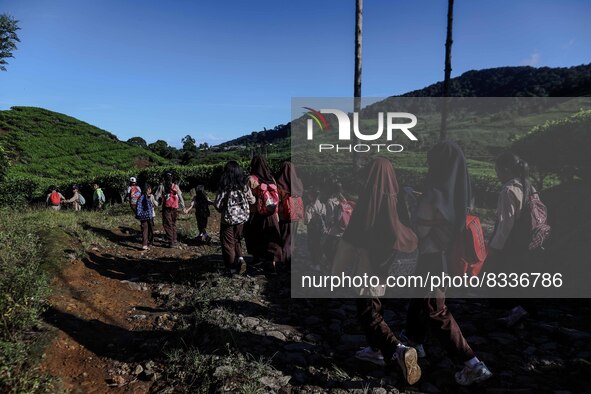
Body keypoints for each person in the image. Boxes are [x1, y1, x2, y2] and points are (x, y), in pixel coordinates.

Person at [402, 140, 492, 386]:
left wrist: (412, 202)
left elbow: (419, 229)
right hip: (448, 258)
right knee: (420, 298)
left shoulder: (434, 192)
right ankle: (413, 341)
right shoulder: (461, 192)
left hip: (432, 258)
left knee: (436, 310)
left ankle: (471, 363)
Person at [343, 158, 421, 386]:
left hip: (369, 265)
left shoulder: (370, 200)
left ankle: (397, 349)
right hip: (389, 264)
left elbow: (354, 236)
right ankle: (375, 348)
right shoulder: (398, 198)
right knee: (374, 305)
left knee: (368, 311)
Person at [487, 152, 540, 326]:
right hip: (525, 241)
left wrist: (494, 247)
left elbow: (505, 224)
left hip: (510, 243)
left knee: (503, 279)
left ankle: (512, 313)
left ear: (506, 170)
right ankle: (521, 311)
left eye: (497, 171)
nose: (497, 175)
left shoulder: (508, 190)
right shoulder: (528, 186)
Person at [214, 161, 255, 275]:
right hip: (242, 219)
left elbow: (217, 204)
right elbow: (252, 200)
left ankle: (232, 268)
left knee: (228, 244)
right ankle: (241, 259)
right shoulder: (243, 185)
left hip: (228, 220)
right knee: (237, 240)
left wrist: (222, 209)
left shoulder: (224, 186)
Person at [245, 155, 283, 272]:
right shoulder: (271, 178)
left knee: (254, 237)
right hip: (270, 214)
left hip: (255, 213)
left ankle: (257, 259)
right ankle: (271, 262)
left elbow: (247, 196)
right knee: (269, 238)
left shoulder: (251, 179)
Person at [275, 161, 304, 266]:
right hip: (296, 214)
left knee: (284, 239)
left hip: (284, 215)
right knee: (292, 239)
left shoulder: (279, 183)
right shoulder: (298, 182)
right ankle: (290, 260)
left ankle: (284, 262)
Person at [155, 172, 185, 248]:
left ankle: (171, 241)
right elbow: (180, 197)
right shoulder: (175, 186)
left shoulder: (162, 186)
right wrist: (183, 207)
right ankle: (174, 240)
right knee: (173, 223)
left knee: (167, 224)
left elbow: (156, 196)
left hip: (166, 207)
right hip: (174, 207)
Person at [304, 188, 327, 269]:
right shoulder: (323, 205)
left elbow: (307, 220)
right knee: (319, 245)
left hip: (312, 229)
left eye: (309, 194)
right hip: (320, 229)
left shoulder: (309, 207)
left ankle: (314, 263)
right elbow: (325, 217)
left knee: (312, 245)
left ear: (312, 196)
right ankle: (319, 263)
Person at [136, 183, 157, 250]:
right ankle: (150, 242)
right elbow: (154, 205)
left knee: (144, 230)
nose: (150, 190)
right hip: (149, 216)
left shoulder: (140, 197)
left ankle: (145, 244)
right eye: (149, 188)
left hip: (142, 216)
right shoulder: (149, 197)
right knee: (151, 229)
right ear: (147, 189)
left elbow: (138, 207)